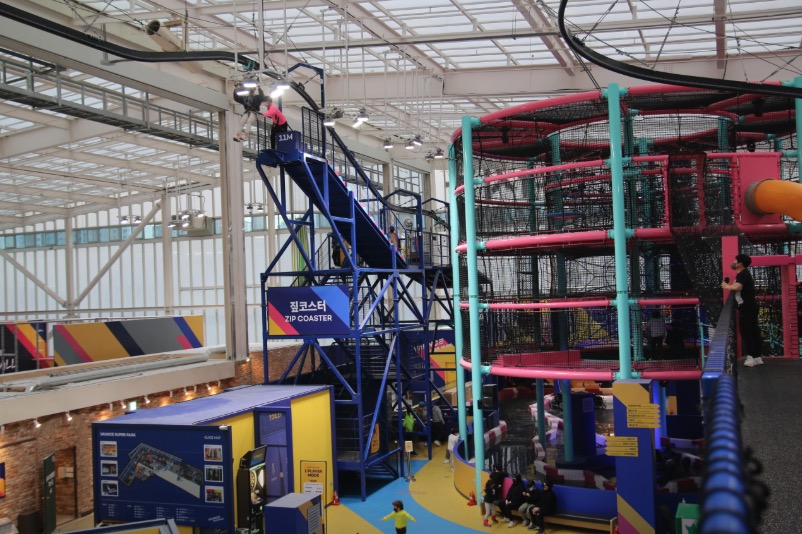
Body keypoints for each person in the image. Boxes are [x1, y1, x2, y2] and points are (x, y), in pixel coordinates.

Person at [721, 253, 763, 367]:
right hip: (750, 306)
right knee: (753, 330)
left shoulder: (742, 274)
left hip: (747, 307)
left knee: (746, 331)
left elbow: (737, 287)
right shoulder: (744, 274)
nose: (733, 262)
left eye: (735, 260)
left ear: (740, 263)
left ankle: (750, 357)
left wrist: (727, 286)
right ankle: (757, 356)